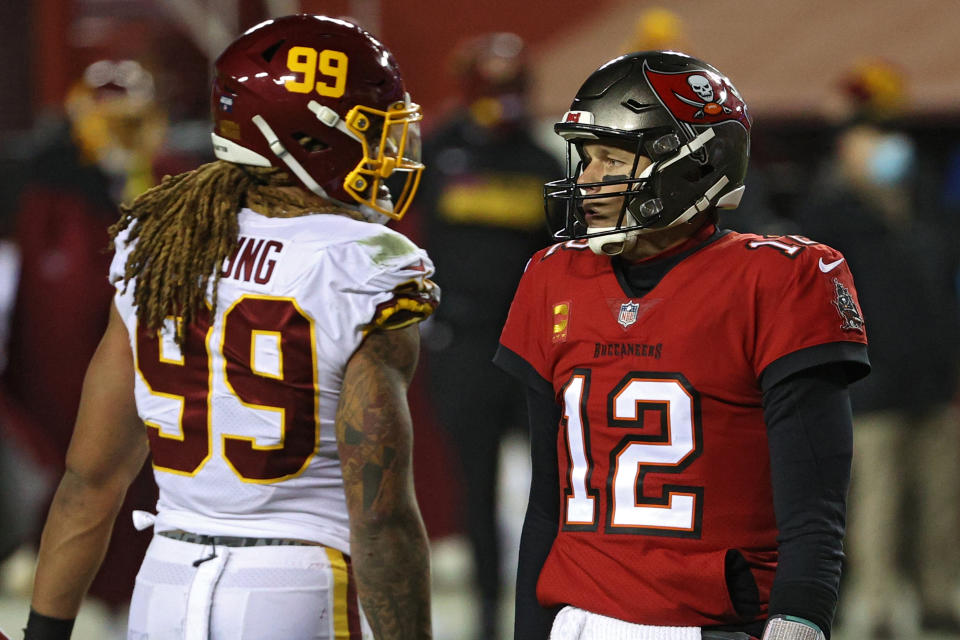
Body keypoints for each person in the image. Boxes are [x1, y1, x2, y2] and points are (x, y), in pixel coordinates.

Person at [24, 14, 436, 640]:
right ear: (307, 138)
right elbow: (381, 517)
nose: (389, 149)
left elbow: (90, 479)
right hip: (303, 584)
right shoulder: (368, 264)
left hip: (166, 581)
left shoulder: (156, 243)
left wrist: (43, 633)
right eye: (369, 129)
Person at [494, 51, 871, 640]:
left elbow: (814, 513)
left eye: (612, 158)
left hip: (707, 624)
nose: (589, 179)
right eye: (587, 158)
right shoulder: (551, 276)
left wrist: (798, 624)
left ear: (693, 165)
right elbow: (548, 505)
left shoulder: (777, 278)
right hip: (576, 619)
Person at [797, 60, 960, 638]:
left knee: (940, 503)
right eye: (869, 138)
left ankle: (939, 595)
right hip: (869, 385)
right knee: (876, 506)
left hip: (933, 380)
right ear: (847, 149)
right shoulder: (830, 217)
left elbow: (943, 288)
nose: (883, 148)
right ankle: (877, 605)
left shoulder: (924, 207)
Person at [0, 58, 169, 611]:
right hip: (67, 371)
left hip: (144, 368)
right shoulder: (46, 187)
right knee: (77, 469)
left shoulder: (174, 180)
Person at [418, 32, 560, 639]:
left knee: (551, 488)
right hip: (464, 342)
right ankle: (484, 611)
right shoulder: (436, 153)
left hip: (531, 348)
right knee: (474, 487)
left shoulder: (541, 162)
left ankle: (543, 604)